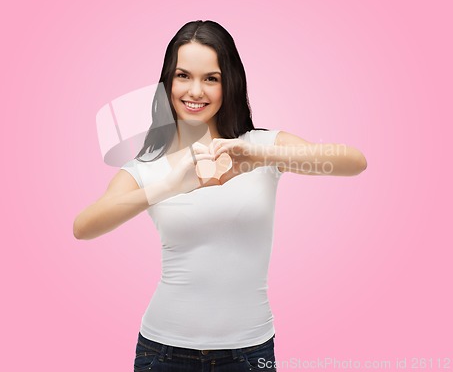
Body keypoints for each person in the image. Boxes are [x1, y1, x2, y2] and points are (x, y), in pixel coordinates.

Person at [73, 20, 368, 371]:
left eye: (210, 78)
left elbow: (352, 162)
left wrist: (261, 157)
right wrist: (168, 186)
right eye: (183, 76)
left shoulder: (262, 145)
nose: (195, 91)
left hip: (248, 351)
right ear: (168, 82)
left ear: (229, 82)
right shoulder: (147, 167)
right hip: (163, 352)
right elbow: (84, 226)